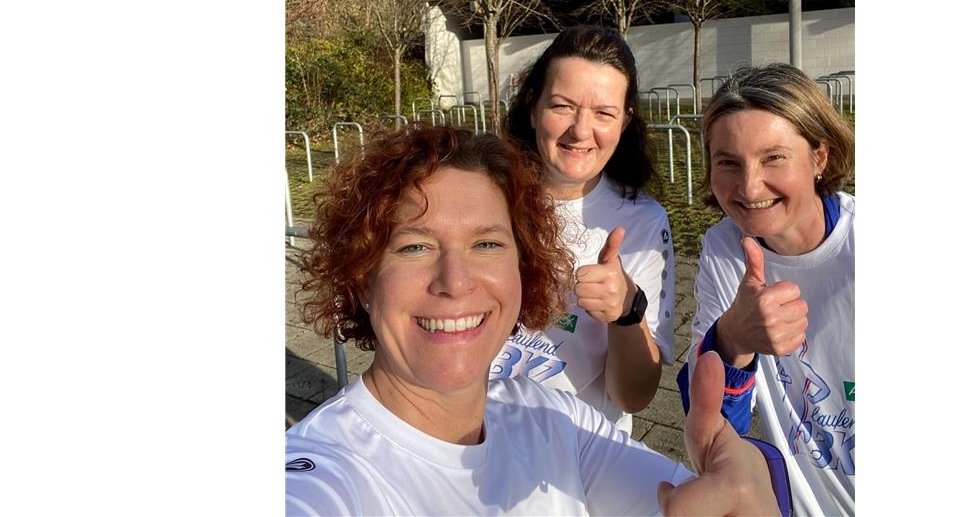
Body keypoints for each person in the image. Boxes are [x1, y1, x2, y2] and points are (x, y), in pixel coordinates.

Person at [285, 125, 788, 516]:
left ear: (522, 271)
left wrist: (747, 483)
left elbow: (696, 498)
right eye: (415, 246)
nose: (455, 282)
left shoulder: (552, 419)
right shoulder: (322, 478)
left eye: (487, 243)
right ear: (360, 277)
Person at [677, 63, 856, 517]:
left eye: (773, 157)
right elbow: (713, 432)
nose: (750, 187)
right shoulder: (724, 248)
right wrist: (733, 343)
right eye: (728, 163)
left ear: (820, 157)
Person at [493, 25, 675, 434]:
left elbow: (635, 396)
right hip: (474, 441)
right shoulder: (483, 195)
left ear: (625, 121)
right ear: (531, 105)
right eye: (562, 106)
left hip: (580, 462)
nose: (580, 129)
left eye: (604, 113)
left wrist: (628, 312)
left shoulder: (643, 222)